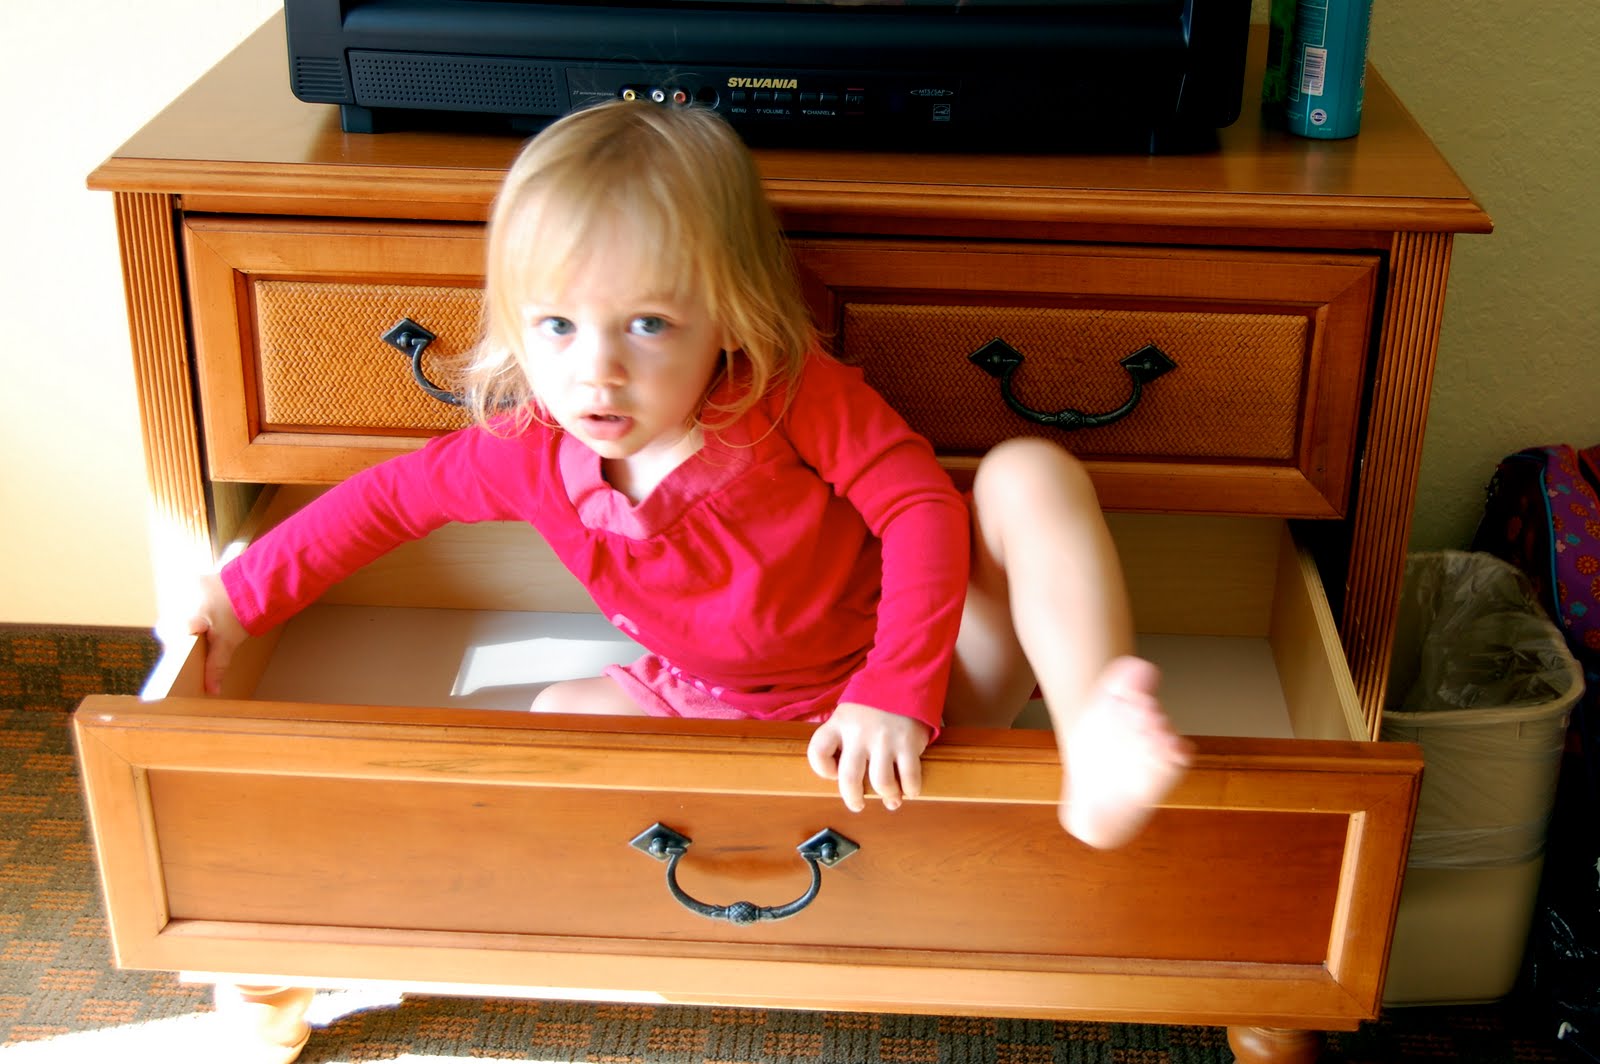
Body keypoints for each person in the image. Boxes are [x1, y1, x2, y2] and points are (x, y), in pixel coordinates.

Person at [186, 99, 1191, 850]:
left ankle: (1091, 746)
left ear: (728, 314)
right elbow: (383, 502)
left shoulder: (789, 396)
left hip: (910, 678)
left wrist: (893, 688)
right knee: (553, 731)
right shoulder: (528, 446)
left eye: (648, 323)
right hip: (716, 698)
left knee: (1028, 471)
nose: (597, 369)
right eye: (557, 324)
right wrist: (238, 599)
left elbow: (921, 510)